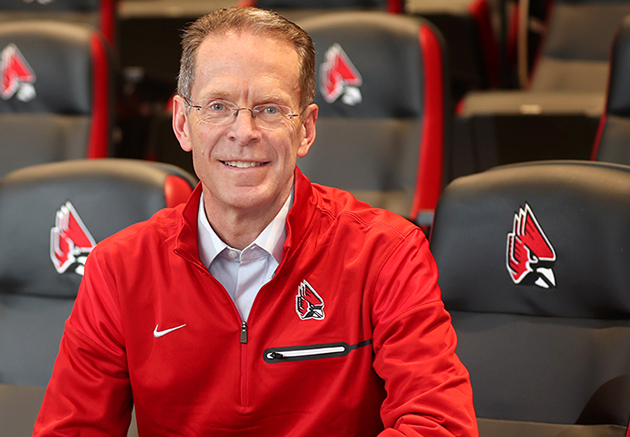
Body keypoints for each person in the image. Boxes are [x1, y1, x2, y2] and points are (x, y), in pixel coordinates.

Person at [33, 7, 478, 436]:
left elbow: (440, 425)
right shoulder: (119, 268)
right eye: (219, 106)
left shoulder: (387, 252)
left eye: (268, 108)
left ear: (305, 129)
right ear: (182, 123)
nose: (243, 132)